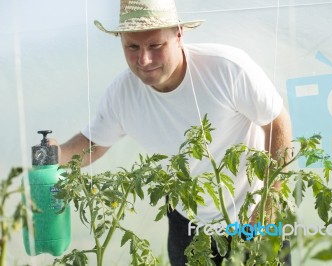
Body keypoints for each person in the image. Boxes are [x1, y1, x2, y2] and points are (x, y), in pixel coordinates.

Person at [57, 0, 292, 265]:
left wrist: (269, 201)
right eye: (132, 47)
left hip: (253, 213)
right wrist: (54, 156)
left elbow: (276, 123)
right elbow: (94, 143)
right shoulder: (122, 93)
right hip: (187, 222)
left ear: (179, 34)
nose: (143, 60)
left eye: (155, 46)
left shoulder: (226, 69)